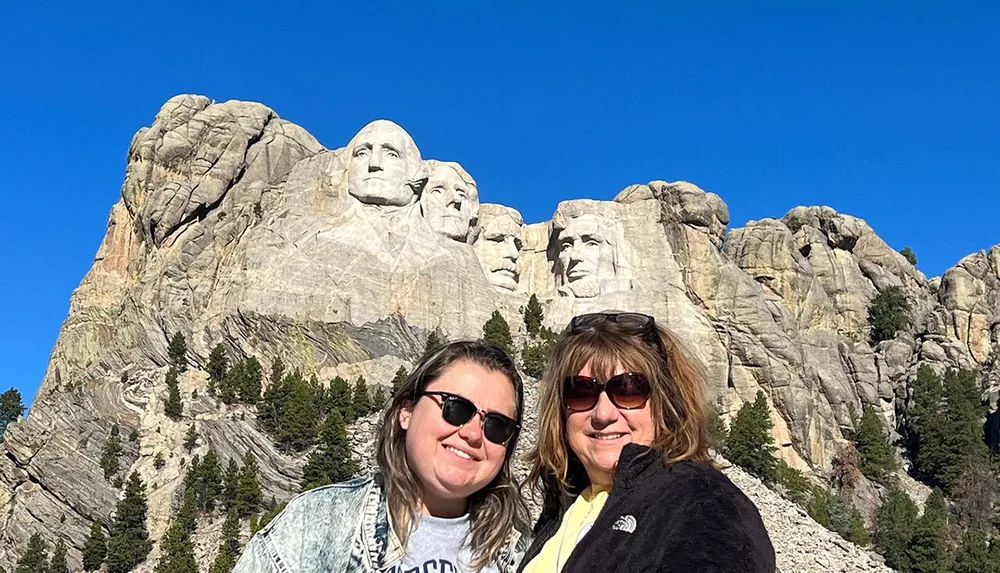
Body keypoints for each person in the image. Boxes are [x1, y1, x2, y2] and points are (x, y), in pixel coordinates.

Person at [234, 341, 530, 573]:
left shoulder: (522, 547)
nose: (473, 434)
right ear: (407, 411)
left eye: (496, 425)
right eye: (456, 408)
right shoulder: (319, 523)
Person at [519, 312, 775, 572]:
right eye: (581, 390)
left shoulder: (701, 499)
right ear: (562, 408)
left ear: (666, 403)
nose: (602, 413)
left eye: (628, 389)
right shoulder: (566, 509)